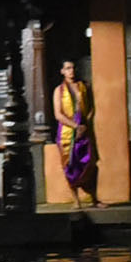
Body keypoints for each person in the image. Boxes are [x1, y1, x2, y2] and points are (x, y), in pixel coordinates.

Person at [51, 59, 98, 208]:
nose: (71, 71)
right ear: (62, 71)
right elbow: (58, 114)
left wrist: (85, 124)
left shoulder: (84, 87)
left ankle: (94, 199)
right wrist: (75, 126)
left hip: (84, 130)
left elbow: (91, 108)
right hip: (67, 132)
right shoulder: (59, 91)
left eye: (72, 68)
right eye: (67, 68)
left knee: (89, 163)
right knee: (70, 165)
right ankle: (76, 200)